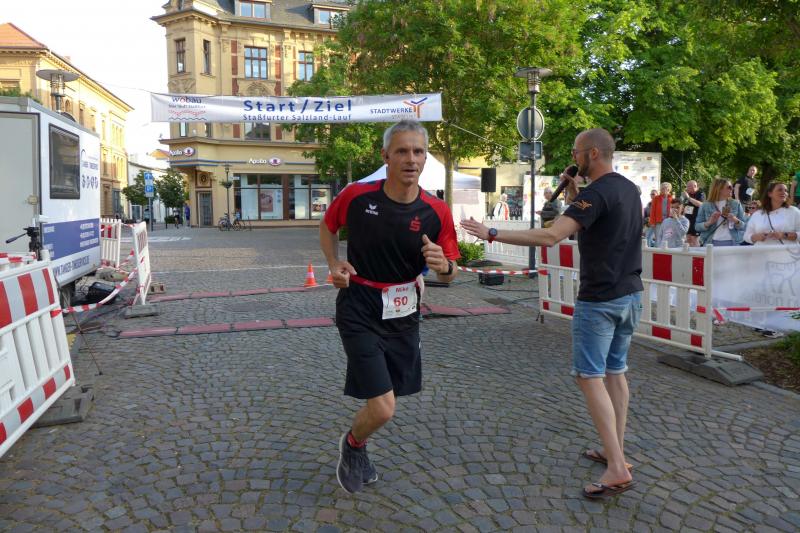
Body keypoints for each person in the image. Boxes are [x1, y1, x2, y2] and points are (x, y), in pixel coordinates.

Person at [463, 128, 641, 500]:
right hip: (629, 295)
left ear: (593, 153)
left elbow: (550, 236)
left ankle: (617, 468)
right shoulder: (627, 189)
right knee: (615, 372)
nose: (573, 158)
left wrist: (491, 232)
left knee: (589, 376)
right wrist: (575, 195)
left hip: (600, 299)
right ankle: (615, 450)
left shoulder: (595, 193)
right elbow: (599, 226)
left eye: (577, 152)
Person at [320, 120, 460, 494]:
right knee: (383, 407)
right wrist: (334, 264)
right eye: (402, 151)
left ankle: (359, 443)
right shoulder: (357, 196)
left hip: (404, 311)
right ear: (385, 156)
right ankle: (352, 445)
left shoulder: (436, 211)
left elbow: (450, 273)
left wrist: (443, 266)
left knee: (390, 395)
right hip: (359, 306)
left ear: (425, 157)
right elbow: (327, 226)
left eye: (418, 151)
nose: (410, 159)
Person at [694, 178, 747, 246]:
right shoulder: (705, 205)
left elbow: (744, 226)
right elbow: (697, 227)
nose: (732, 189)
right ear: (719, 189)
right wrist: (709, 222)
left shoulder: (736, 204)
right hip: (711, 243)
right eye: (729, 187)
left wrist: (735, 220)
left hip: (733, 243)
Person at [681, 180, 705, 246]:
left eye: (688, 186)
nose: (687, 188)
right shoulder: (687, 194)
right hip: (688, 220)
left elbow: (701, 204)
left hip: (696, 220)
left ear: (695, 186)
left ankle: (696, 252)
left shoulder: (700, 193)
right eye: (687, 186)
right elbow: (683, 206)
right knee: (688, 239)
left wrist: (689, 198)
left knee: (694, 239)